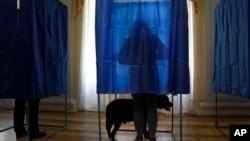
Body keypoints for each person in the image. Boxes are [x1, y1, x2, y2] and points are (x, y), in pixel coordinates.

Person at [119, 19, 167, 141]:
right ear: (147, 27)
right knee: (151, 107)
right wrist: (152, 58)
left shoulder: (129, 40)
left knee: (138, 107)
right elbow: (165, 53)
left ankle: (139, 136)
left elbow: (121, 59)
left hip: (135, 76)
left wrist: (134, 61)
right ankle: (151, 137)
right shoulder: (153, 38)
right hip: (151, 75)